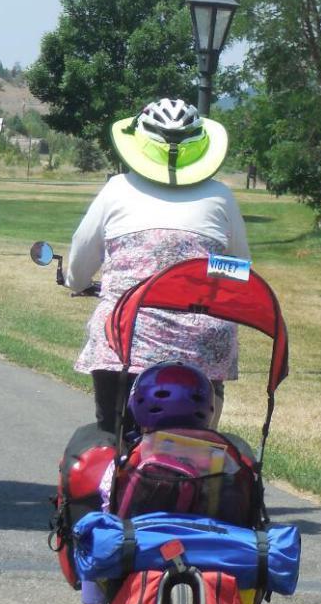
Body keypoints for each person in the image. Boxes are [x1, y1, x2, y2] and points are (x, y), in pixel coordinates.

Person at [65, 98, 249, 434]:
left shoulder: (117, 189)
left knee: (111, 436)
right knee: (200, 441)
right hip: (203, 346)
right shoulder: (221, 196)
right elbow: (239, 271)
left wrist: (76, 282)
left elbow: (81, 256)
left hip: (126, 340)